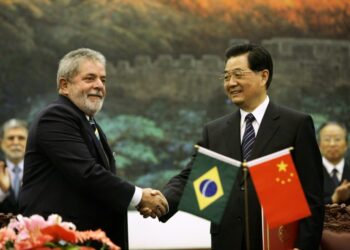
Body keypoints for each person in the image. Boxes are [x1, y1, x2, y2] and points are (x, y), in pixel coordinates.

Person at [157, 43, 324, 249]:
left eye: (238, 74)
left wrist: (303, 247)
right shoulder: (215, 131)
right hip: (227, 242)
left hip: (277, 242)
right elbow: (191, 177)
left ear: (263, 76)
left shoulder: (296, 125)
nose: (231, 83)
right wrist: (161, 200)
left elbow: (312, 195)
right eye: (226, 77)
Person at [19, 48, 168, 249]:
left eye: (103, 80)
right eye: (90, 78)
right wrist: (139, 197)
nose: (99, 85)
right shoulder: (55, 117)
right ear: (64, 85)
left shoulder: (89, 123)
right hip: (57, 242)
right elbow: (87, 173)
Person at [0, 119, 28, 214]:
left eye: (21, 138)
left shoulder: (38, 171)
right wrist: (3, 191)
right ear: (1, 143)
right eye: (11, 138)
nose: (16, 143)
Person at [318, 121, 350, 204]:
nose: (332, 144)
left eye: (337, 139)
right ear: (319, 145)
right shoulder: (310, 173)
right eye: (327, 139)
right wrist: (333, 198)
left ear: (347, 144)